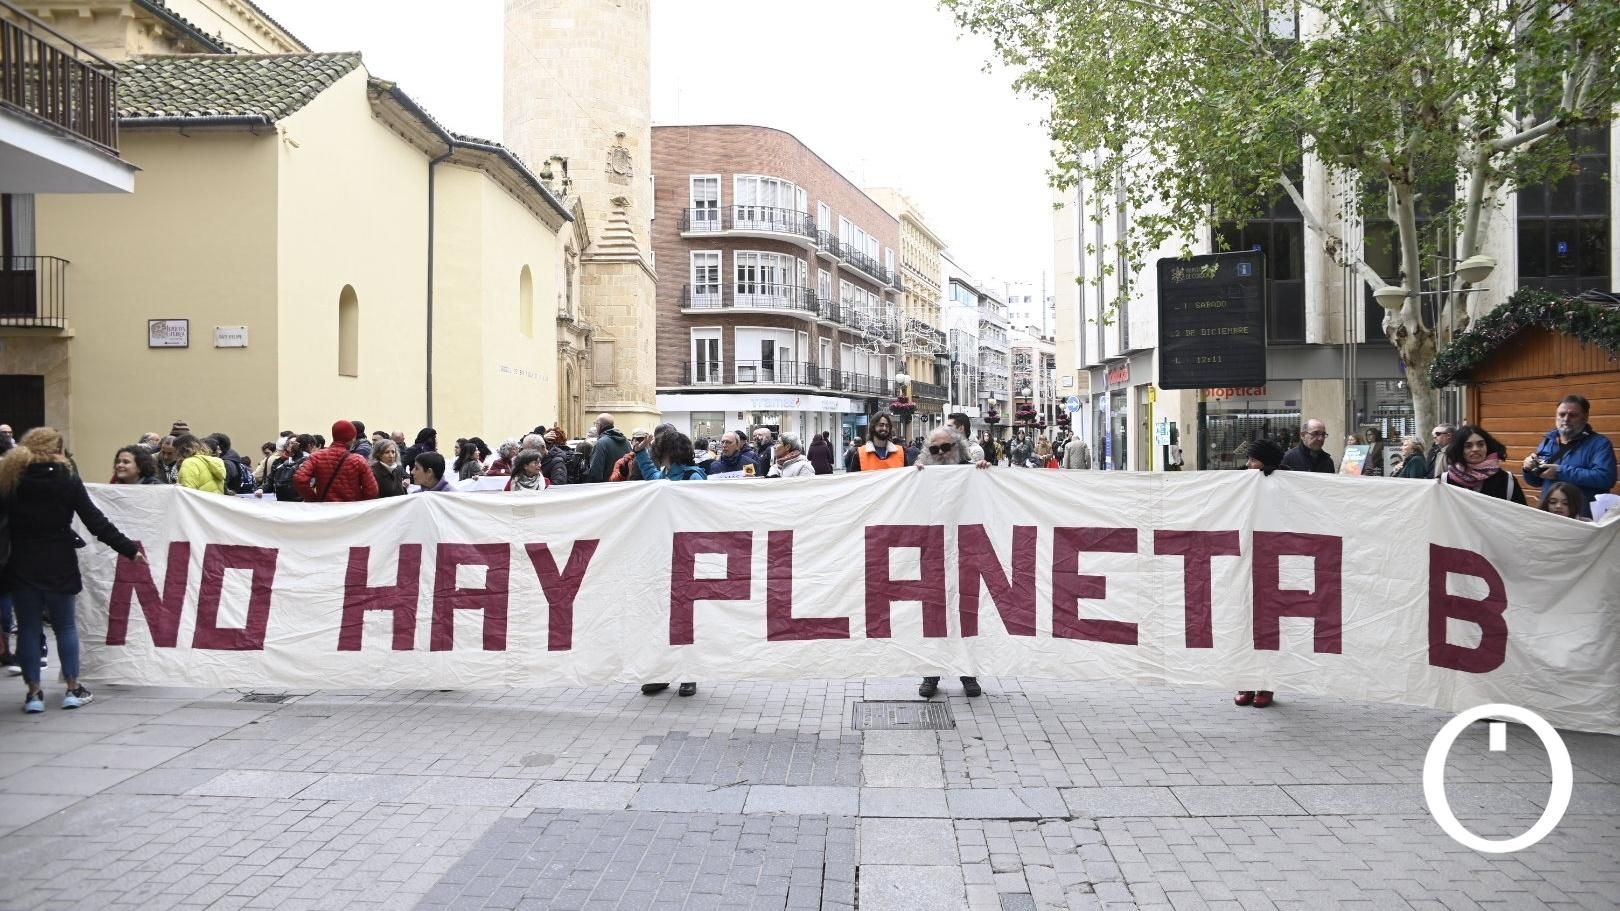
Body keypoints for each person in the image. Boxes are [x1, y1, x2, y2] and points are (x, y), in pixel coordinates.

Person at [0, 428, 144, 712]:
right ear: (57, 449)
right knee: (65, 626)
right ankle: (72, 688)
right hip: (59, 560)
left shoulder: (11, 478)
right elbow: (95, 520)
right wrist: (128, 548)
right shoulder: (65, 478)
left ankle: (34, 694)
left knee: (28, 629)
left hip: (21, 562)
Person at [911, 427, 991, 699]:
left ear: (959, 447)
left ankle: (968, 673)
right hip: (933, 555)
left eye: (946, 447)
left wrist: (985, 474)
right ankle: (931, 673)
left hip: (966, 555)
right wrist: (913, 479)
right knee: (933, 616)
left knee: (966, 613)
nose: (941, 453)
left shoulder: (973, 473)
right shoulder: (921, 474)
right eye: (935, 449)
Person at [634, 430, 703, 698]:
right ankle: (662, 672)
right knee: (660, 616)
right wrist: (640, 453)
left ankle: (688, 674)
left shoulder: (692, 477)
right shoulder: (666, 475)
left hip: (686, 556)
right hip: (663, 555)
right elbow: (653, 479)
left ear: (668, 452)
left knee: (684, 618)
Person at [1236, 438, 1286, 707]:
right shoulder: (1244, 481)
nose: (1248, 465)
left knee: (1268, 629)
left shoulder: (1284, 485)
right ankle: (1246, 681)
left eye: (1253, 460)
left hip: (1272, 565)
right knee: (1244, 625)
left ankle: (1266, 685)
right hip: (1246, 563)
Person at [1523, 394, 1617, 503]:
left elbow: (1606, 478)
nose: (1566, 419)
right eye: (1562, 414)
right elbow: (1536, 482)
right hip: (1549, 510)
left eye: (1573, 415)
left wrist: (1560, 472)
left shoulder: (1600, 443)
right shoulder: (1548, 441)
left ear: (1585, 417)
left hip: (1581, 512)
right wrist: (1528, 469)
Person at [294, 421, 379, 503]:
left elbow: (299, 479)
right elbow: (372, 490)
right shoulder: (358, 460)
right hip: (351, 509)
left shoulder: (316, 457)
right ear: (352, 438)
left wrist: (313, 499)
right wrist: (360, 504)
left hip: (325, 507)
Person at [1444, 425, 1525, 504]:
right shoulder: (1444, 481)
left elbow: (1520, 511)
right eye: (1468, 446)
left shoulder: (1507, 480)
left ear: (1487, 446)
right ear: (1458, 449)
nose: (1475, 449)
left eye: (1480, 444)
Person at [588, 413, 630, 483]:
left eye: (596, 424)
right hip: (625, 486)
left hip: (607, 486)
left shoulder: (601, 443)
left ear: (599, 425)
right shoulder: (626, 441)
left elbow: (595, 473)